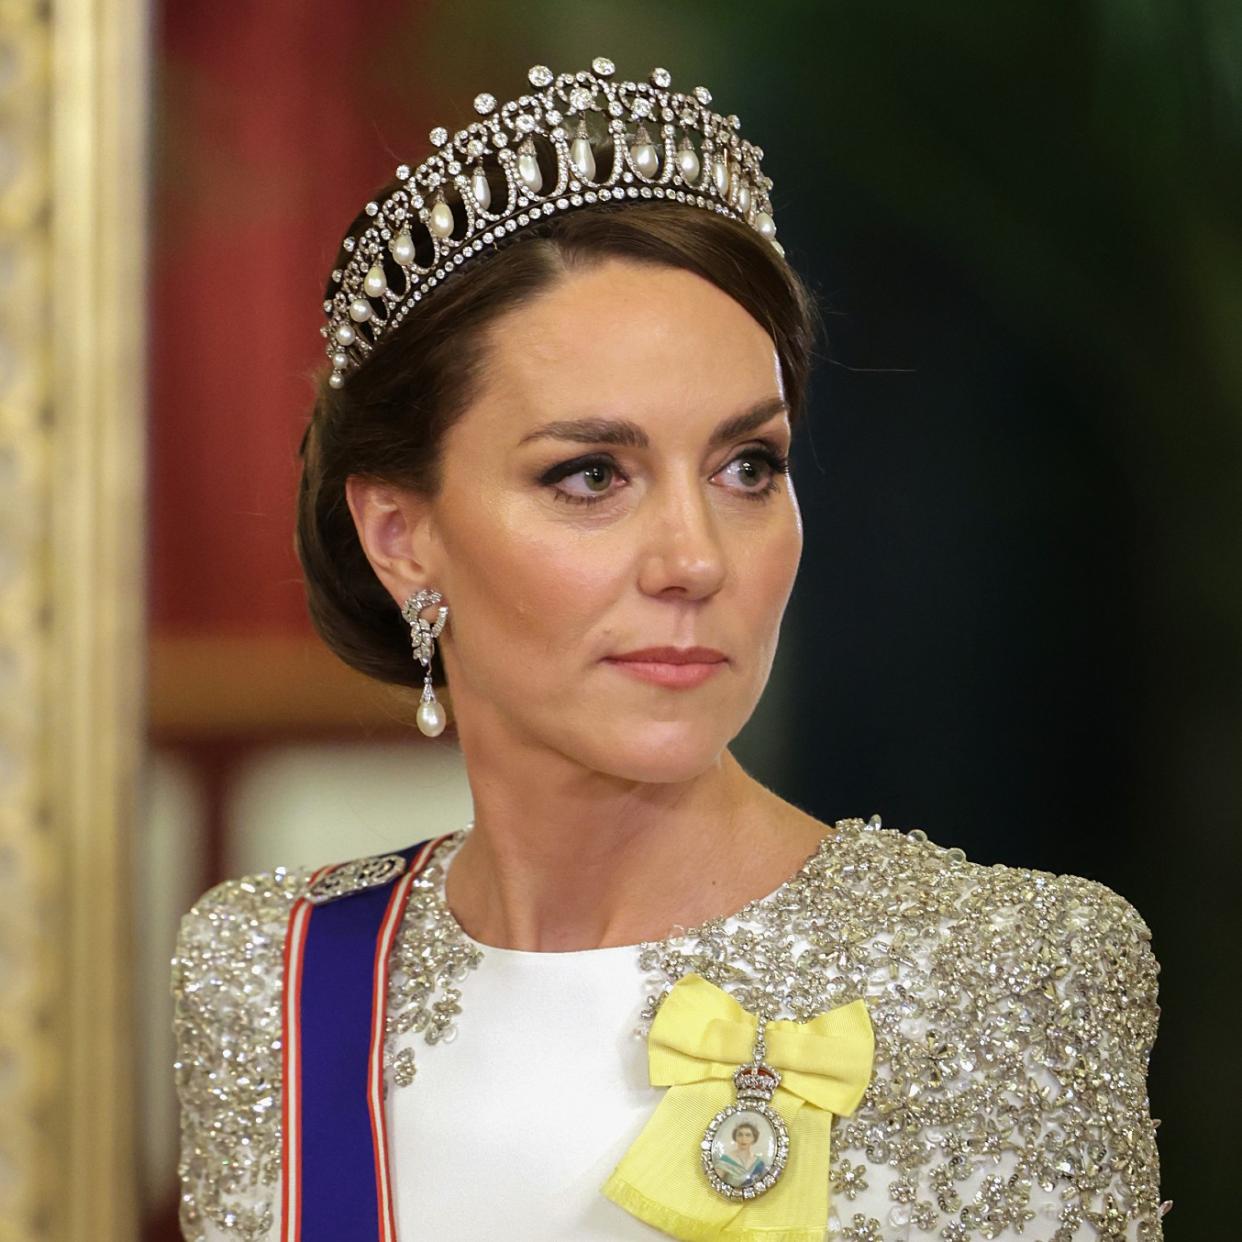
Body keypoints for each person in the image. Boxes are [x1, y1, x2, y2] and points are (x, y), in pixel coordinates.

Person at [171, 57, 1166, 1242]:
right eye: (591, 476)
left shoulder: (1012, 981)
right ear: (402, 535)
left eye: (749, 467)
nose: (694, 558)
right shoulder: (270, 978)